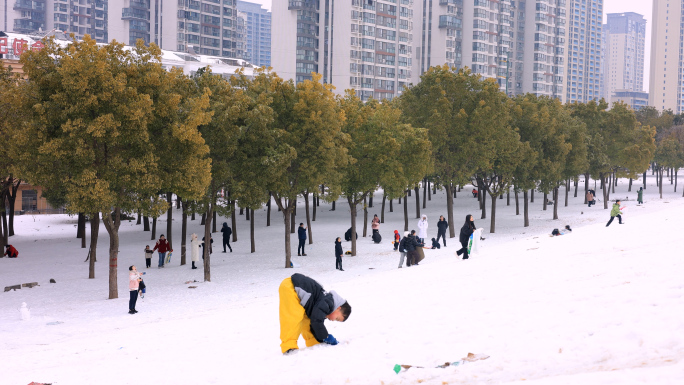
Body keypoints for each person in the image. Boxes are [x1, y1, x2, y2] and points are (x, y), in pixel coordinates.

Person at [278, 273, 351, 354]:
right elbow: (317, 320)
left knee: (307, 321)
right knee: (293, 317)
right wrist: (325, 336)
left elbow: (314, 321)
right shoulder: (328, 302)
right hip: (291, 287)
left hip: (298, 295)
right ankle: (288, 347)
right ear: (338, 308)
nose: (333, 320)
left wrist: (321, 339)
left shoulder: (326, 303)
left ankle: (313, 342)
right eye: (337, 318)